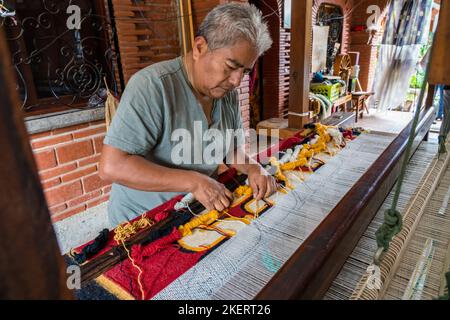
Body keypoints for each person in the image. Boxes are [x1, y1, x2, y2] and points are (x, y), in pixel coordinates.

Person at [99, 3, 276, 226]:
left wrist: (254, 168)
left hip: (193, 210)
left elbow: (229, 150)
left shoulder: (225, 91)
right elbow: (111, 166)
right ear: (200, 47)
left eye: (246, 71)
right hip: (145, 219)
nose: (236, 81)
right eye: (231, 66)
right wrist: (193, 181)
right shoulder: (153, 86)